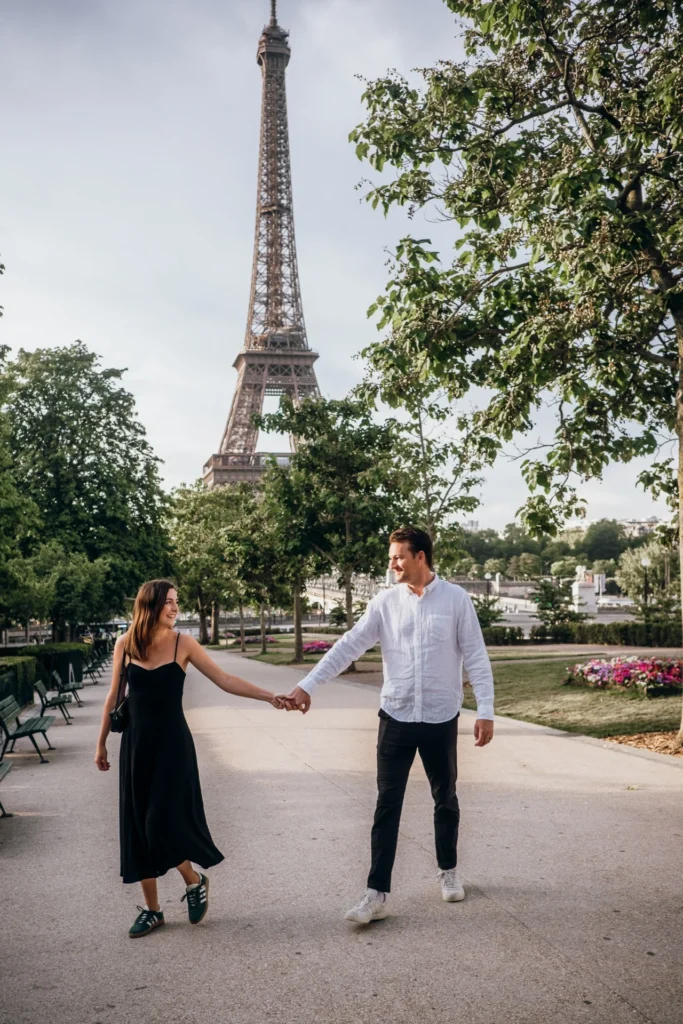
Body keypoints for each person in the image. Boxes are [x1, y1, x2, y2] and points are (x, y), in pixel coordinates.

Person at [285, 527, 495, 924]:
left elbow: (476, 656)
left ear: (421, 557)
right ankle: (375, 893)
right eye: (391, 557)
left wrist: (485, 709)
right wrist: (307, 685)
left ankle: (448, 869)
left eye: (398, 556)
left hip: (439, 717)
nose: (392, 564)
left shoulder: (456, 600)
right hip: (395, 716)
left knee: (445, 798)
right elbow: (349, 645)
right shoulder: (385, 602)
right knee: (386, 806)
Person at [95, 579, 288, 938]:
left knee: (159, 823)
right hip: (136, 746)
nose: (174, 608)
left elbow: (225, 679)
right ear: (149, 604)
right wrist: (101, 742)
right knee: (137, 825)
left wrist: (268, 696)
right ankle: (153, 911)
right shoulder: (125, 644)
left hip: (172, 747)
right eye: (168, 602)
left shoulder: (183, 643)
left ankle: (193, 879)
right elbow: (113, 698)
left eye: (176, 602)